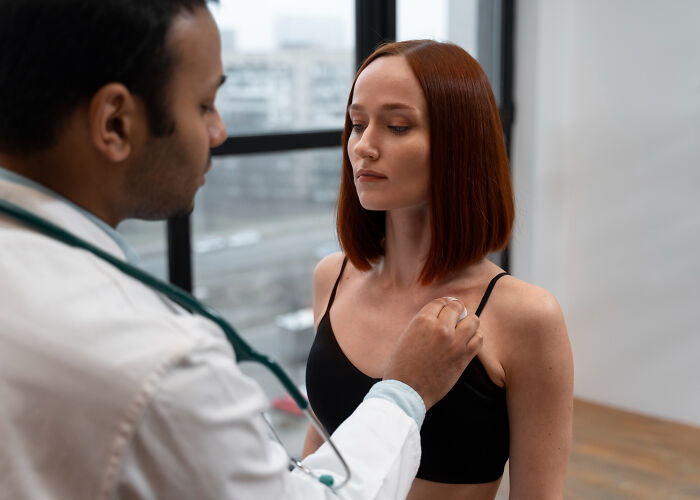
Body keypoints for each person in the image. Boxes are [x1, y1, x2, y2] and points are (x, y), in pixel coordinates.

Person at [0, 3, 484, 499]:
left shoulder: (519, 313)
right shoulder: (162, 363)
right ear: (116, 123)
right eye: (204, 105)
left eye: (398, 126)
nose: (219, 132)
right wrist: (404, 393)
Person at [303, 40, 574, 500]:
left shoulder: (525, 316)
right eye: (357, 124)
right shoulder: (333, 278)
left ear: (460, 145)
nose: (364, 147)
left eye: (397, 126)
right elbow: (323, 447)